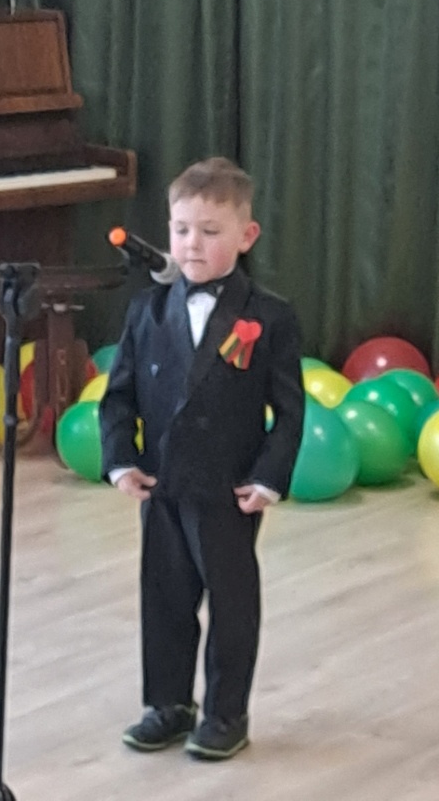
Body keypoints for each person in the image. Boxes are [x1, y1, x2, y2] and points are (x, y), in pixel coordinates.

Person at [99, 156, 305, 761]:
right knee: (163, 598)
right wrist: (120, 460)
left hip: (227, 489)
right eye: (181, 229)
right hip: (162, 484)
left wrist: (268, 477)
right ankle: (168, 704)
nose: (192, 244)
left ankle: (225, 713)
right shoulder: (147, 309)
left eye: (210, 232)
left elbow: (290, 411)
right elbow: (119, 396)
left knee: (232, 605)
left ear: (247, 236)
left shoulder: (269, 316)